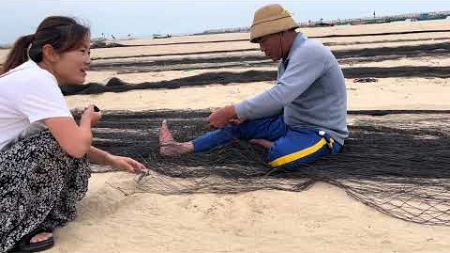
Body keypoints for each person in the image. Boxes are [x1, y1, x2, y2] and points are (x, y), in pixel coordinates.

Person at [0, 16, 148, 252]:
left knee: (54, 144)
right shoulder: (37, 80)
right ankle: (16, 228)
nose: (88, 60)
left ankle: (28, 218)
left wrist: (111, 160)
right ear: (51, 53)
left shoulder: (33, 77)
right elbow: (76, 146)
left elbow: (68, 140)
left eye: (89, 51)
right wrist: (87, 120)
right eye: (81, 51)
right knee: (52, 147)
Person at [159, 4, 348, 170]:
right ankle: (182, 147)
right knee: (239, 126)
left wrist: (231, 110)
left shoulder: (310, 52)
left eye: (263, 40)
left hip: (319, 132)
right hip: (290, 122)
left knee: (280, 158)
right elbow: (283, 101)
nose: (262, 48)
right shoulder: (287, 60)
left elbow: (280, 95)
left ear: (282, 32)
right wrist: (243, 116)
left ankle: (275, 145)